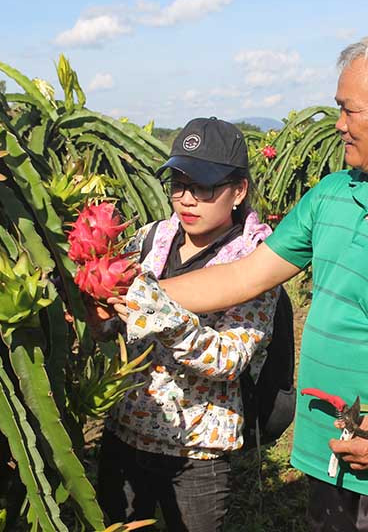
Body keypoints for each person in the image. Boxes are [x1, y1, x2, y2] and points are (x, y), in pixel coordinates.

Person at [112, 31, 368, 531]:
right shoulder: (332, 196)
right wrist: (127, 291)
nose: (338, 125)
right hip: (327, 458)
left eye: (350, 110)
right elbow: (244, 276)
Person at [93, 116, 280, 532]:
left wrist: (158, 313)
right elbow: (113, 321)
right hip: (125, 431)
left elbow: (228, 357)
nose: (187, 199)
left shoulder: (257, 261)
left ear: (239, 190)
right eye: (178, 184)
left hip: (198, 452)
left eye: (204, 186)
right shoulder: (149, 238)